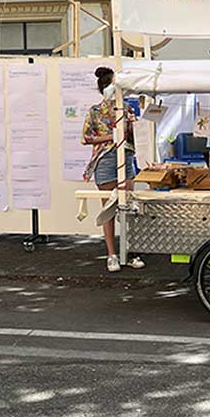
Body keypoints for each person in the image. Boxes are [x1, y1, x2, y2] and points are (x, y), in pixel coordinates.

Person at [81, 66, 144, 274]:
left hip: (126, 158)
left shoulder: (126, 109)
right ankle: (111, 254)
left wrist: (134, 127)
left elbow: (134, 136)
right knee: (108, 208)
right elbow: (86, 138)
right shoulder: (95, 111)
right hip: (105, 161)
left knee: (129, 207)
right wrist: (111, 137)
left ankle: (131, 251)